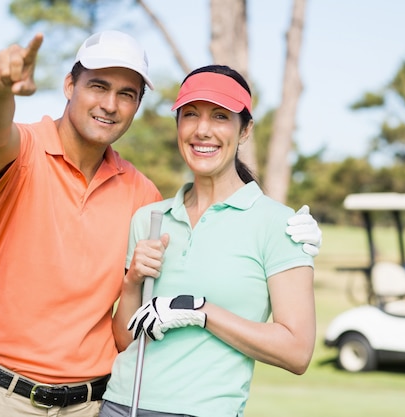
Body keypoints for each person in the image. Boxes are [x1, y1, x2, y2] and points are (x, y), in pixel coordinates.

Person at [0, 29, 321, 417]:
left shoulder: (143, 196)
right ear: (69, 84)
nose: (110, 104)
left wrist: (285, 229)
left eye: (127, 94)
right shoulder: (21, 153)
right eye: (98, 86)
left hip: (91, 405)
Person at [99, 65, 316, 417]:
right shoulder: (149, 220)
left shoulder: (280, 225)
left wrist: (199, 311)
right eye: (190, 115)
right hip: (121, 405)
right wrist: (132, 282)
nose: (203, 130)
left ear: (245, 130)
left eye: (220, 116)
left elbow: (297, 351)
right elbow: (126, 340)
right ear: (178, 127)